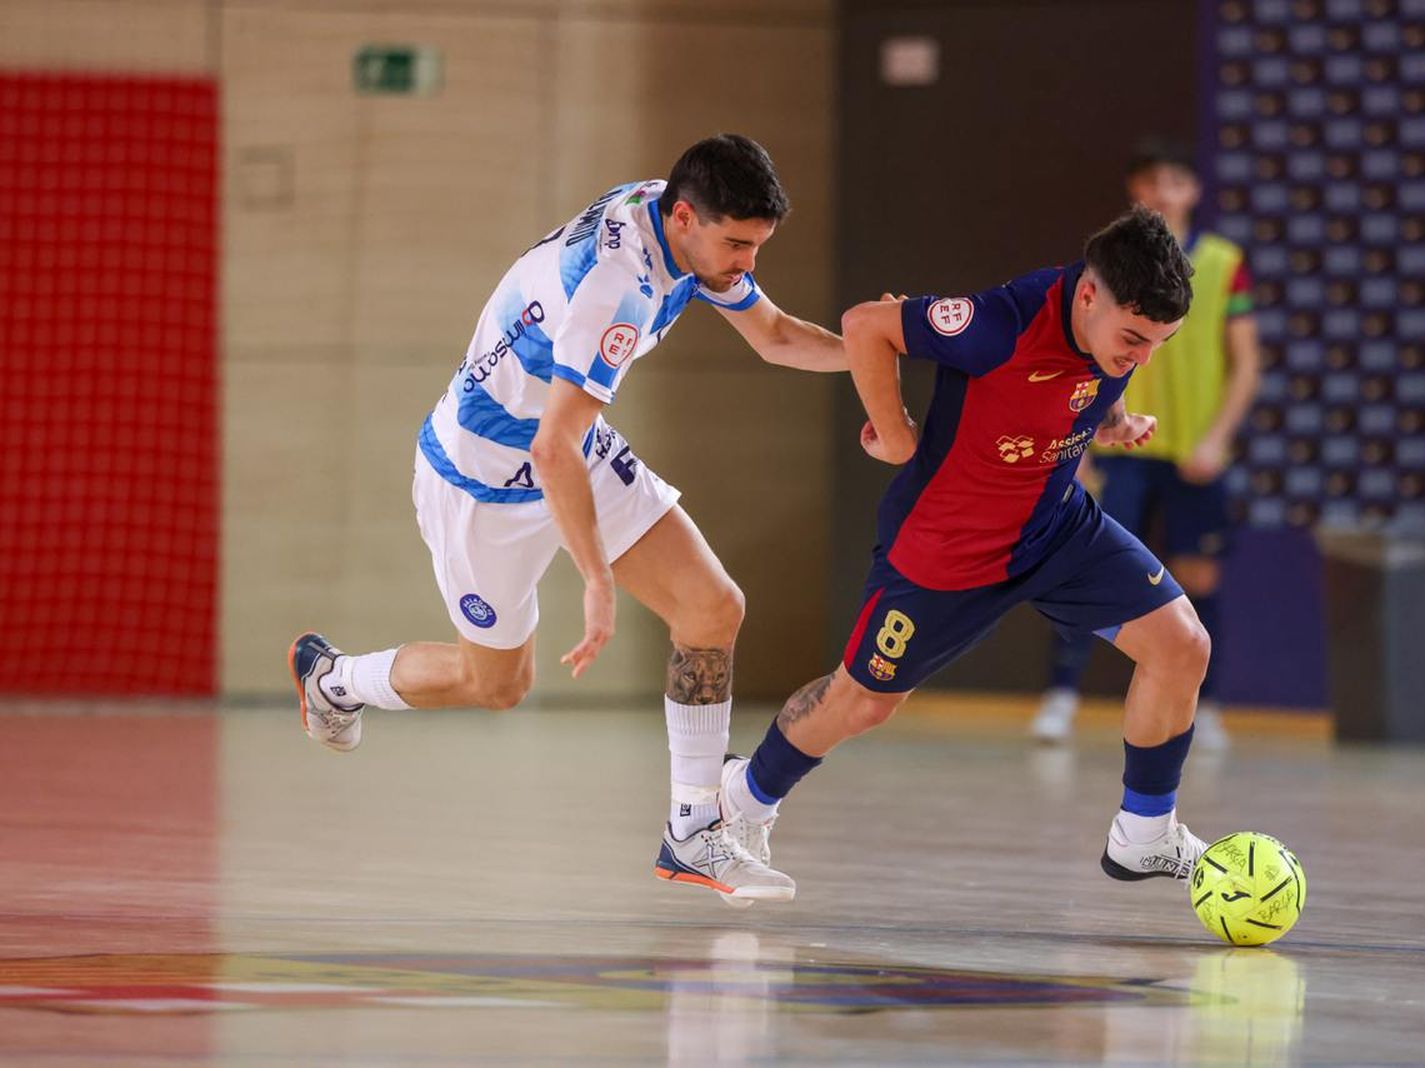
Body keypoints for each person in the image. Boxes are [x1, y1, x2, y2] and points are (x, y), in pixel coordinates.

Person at [287, 134, 847, 904]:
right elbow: (552, 450)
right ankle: (335, 678)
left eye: (756, 246)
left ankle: (692, 832)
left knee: (711, 607)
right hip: (482, 480)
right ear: (684, 217)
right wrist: (597, 582)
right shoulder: (618, 286)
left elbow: (776, 336)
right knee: (496, 684)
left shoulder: (677, 223)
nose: (746, 263)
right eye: (737, 245)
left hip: (568, 441)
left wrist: (888, 351)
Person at [717, 207, 1213, 890]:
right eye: (1135, 337)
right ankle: (739, 801)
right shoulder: (998, 322)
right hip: (946, 550)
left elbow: (1099, 378)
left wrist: (1119, 421)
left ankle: (1144, 836)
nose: (1141, 355)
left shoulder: (1113, 335)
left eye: (1160, 343)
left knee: (1182, 644)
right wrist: (894, 437)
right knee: (860, 702)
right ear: (1089, 294)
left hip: (1055, 526)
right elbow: (867, 325)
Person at [1032, 141, 1259, 748]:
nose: (1164, 193)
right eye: (1152, 182)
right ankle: (1061, 698)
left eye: (1177, 181)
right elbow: (1076, 359)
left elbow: (1247, 363)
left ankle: (1203, 709)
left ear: (1195, 191)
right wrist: (1076, 450)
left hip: (1194, 453)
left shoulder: (1222, 261)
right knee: (1085, 568)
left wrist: (1217, 439)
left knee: (1198, 578)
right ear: (1135, 190)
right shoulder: (1107, 266)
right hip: (1118, 446)